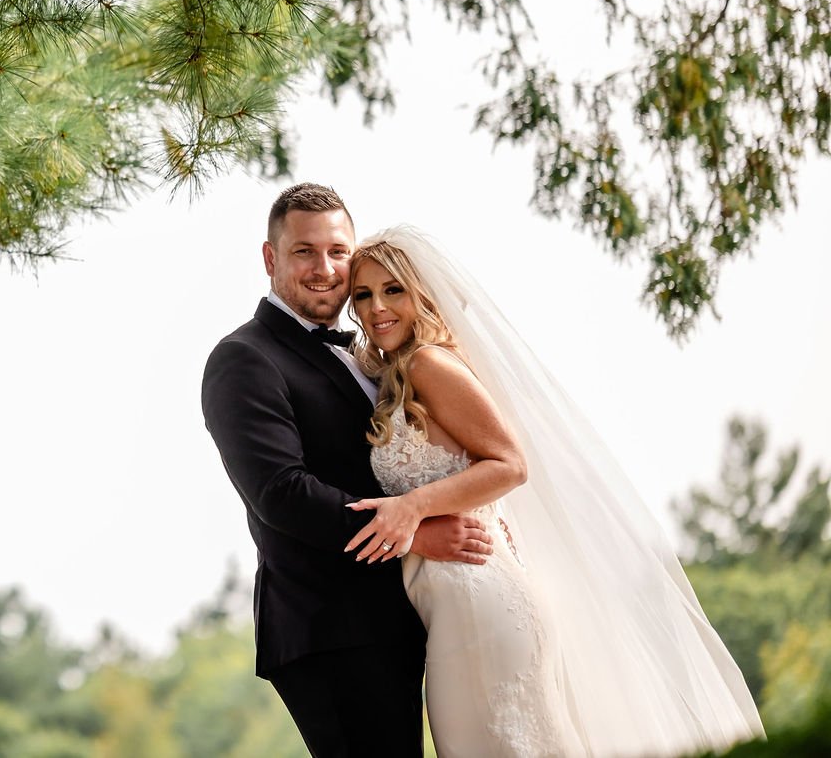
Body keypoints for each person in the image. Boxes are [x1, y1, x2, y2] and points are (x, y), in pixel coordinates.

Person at [343, 226, 763, 757]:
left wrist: (412, 507)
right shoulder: (399, 373)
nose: (378, 306)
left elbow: (511, 464)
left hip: (482, 608)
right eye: (363, 294)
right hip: (453, 611)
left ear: (422, 293)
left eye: (393, 290)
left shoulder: (429, 364)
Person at [200, 184, 494, 757]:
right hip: (329, 626)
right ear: (270, 259)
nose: (325, 268)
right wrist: (420, 534)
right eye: (304, 251)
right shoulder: (244, 359)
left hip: (397, 618)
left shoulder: (371, 353)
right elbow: (283, 494)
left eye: (338, 251)